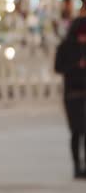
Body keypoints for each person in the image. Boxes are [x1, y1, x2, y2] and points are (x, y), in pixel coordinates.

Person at [55, 16, 86, 179]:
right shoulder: (65, 47)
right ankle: (76, 165)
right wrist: (76, 65)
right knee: (77, 131)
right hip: (73, 94)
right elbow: (58, 68)